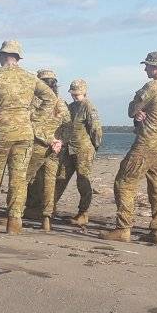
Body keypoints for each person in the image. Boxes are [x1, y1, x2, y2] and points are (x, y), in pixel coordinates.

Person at [0, 40, 56, 234]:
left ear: (2, 56)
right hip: (25, 133)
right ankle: (14, 222)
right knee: (18, 178)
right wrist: (34, 119)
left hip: (1, 131)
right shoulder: (29, 77)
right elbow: (51, 98)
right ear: (18, 57)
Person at [102, 51, 157, 245]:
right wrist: (143, 114)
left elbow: (131, 110)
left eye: (147, 65)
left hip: (147, 143)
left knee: (124, 182)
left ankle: (123, 228)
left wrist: (138, 111)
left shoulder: (151, 87)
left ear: (155, 66)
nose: (145, 69)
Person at [25, 69, 70, 232]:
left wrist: (50, 140)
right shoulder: (60, 102)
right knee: (50, 183)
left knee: (23, 179)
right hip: (55, 148)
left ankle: (14, 215)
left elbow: (31, 124)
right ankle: (46, 217)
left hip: (38, 144)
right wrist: (59, 142)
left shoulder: (35, 101)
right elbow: (67, 125)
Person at [54, 79, 102, 225]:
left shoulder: (88, 106)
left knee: (83, 180)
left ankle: (83, 213)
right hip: (69, 148)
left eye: (77, 94)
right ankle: (49, 208)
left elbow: (96, 129)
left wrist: (95, 146)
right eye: (73, 93)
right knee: (60, 178)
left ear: (84, 92)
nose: (75, 96)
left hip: (83, 149)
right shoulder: (71, 106)